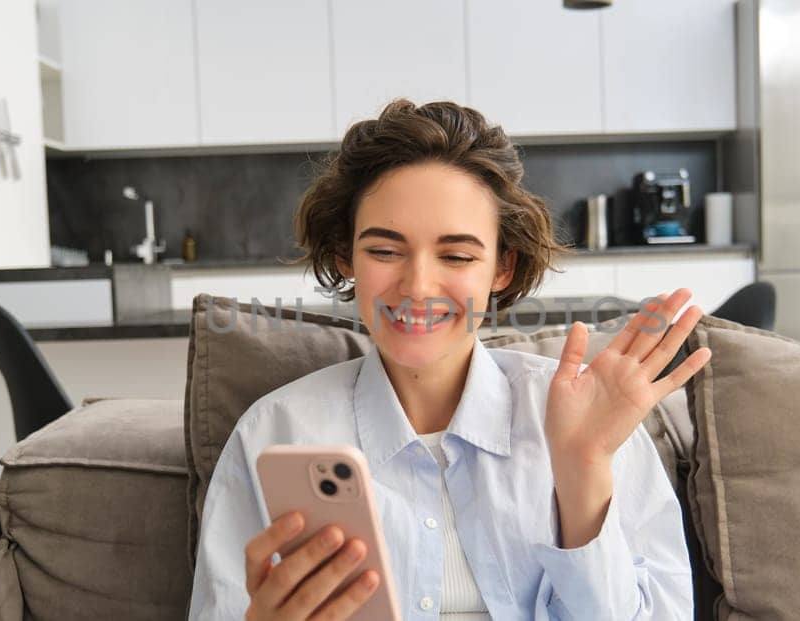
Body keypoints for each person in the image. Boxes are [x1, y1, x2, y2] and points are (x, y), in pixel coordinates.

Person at [188, 100, 711, 620]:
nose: (418, 287)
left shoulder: (591, 416)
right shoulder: (275, 433)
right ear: (346, 255)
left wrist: (584, 473)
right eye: (385, 252)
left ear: (502, 267)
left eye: (457, 256)